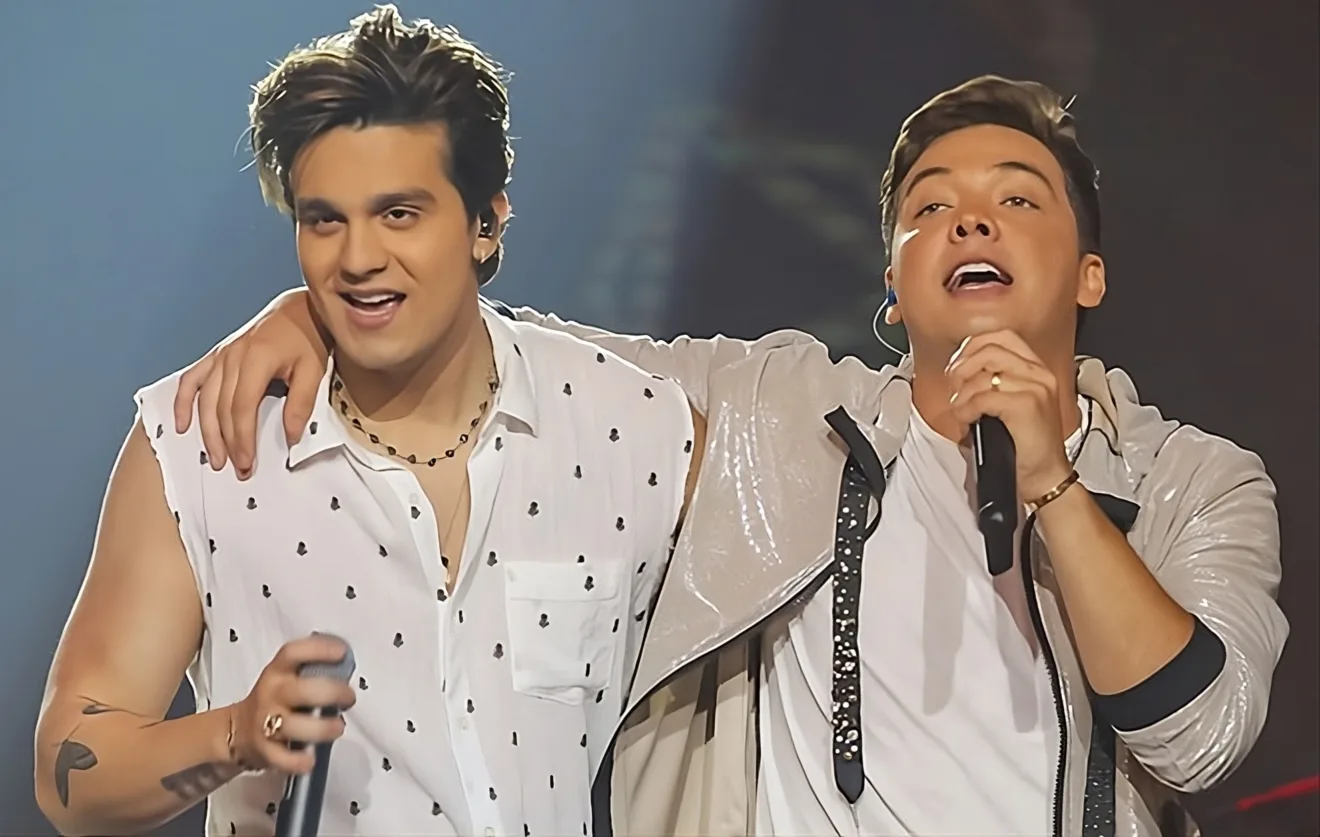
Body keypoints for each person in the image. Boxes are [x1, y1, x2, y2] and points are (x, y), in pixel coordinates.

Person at [170, 77, 1286, 836]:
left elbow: (1201, 739)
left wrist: (1050, 481)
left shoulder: (1198, 482)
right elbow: (518, 350)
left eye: (1016, 200)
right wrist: (317, 313)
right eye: (930, 206)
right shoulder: (779, 415)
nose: (971, 222)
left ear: (1090, 273)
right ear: (892, 288)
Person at [34, 7, 702, 837]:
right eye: (325, 219)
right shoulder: (199, 442)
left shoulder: (639, 430)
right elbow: (71, 774)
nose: (355, 259)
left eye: (398, 214)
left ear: (487, 222)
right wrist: (238, 732)